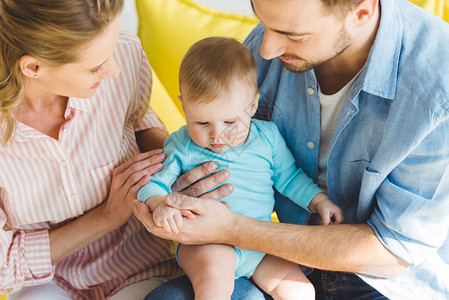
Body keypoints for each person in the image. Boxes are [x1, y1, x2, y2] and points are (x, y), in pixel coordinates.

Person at [134, 0, 449, 299]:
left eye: (292, 35)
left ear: (362, 12)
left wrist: (234, 228)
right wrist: (176, 195)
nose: (266, 49)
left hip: (381, 280)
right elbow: (223, 150)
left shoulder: (436, 89)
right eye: (263, 21)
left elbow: (394, 250)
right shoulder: (272, 36)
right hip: (266, 249)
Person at [0, 0, 234, 299]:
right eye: (95, 67)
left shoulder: (124, 52)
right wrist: (106, 216)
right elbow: (4, 265)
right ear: (33, 67)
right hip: (48, 277)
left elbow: (138, 121)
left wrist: (186, 171)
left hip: (140, 261)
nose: (114, 70)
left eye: (111, 50)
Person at [138, 37, 344, 299]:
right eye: (202, 122)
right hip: (207, 243)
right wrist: (160, 204)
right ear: (184, 106)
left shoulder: (268, 137)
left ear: (252, 106)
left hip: (258, 242)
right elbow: (152, 184)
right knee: (214, 284)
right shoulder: (181, 144)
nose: (217, 135)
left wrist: (319, 201)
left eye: (229, 121)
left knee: (301, 291)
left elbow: (289, 178)